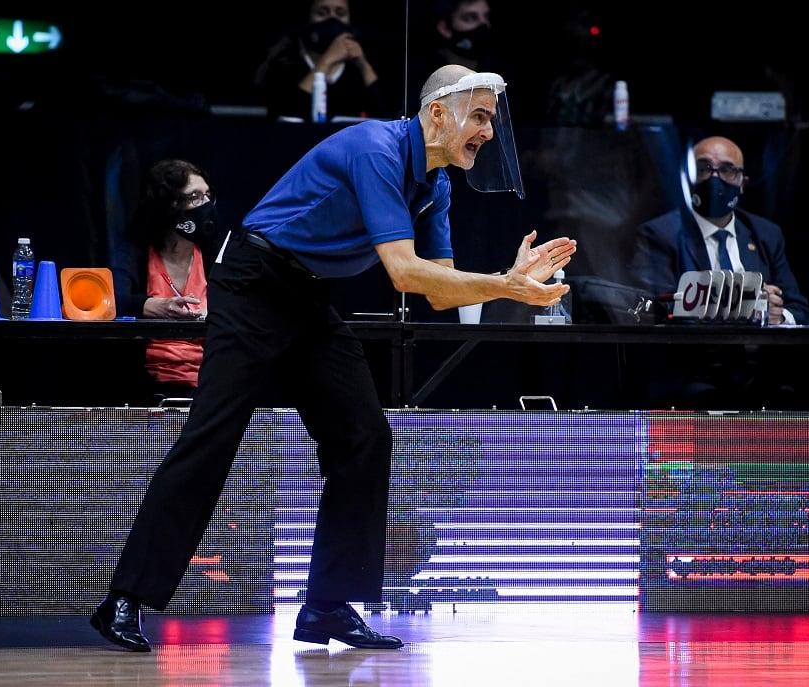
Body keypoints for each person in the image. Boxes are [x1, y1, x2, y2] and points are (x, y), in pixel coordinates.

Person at [90, 63, 577, 653]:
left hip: (308, 297)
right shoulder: (376, 146)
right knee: (212, 437)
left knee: (364, 437)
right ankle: (124, 599)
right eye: (477, 117)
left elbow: (438, 291)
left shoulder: (438, 185)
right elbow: (402, 270)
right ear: (438, 113)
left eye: (491, 122)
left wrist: (508, 284)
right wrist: (505, 283)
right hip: (253, 282)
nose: (486, 132)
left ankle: (325, 607)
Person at [628, 135, 809, 409]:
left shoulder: (765, 234)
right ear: (689, 177)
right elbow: (653, 308)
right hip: (693, 369)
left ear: (742, 183)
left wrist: (777, 314)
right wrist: (744, 304)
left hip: (760, 370)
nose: (714, 178)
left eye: (727, 170)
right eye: (703, 168)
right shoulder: (660, 234)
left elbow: (799, 309)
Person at [110, 159, 221, 402]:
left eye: (208, 196)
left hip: (210, 385)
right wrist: (150, 306)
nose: (205, 205)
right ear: (170, 206)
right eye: (194, 197)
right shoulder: (135, 251)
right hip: (146, 385)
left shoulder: (215, 255)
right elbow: (110, 300)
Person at [254, 0, 397, 122]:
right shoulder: (283, 64)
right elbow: (287, 116)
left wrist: (363, 65)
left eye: (340, 14)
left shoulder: (365, 65)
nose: (332, 20)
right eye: (322, 13)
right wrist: (326, 61)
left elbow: (387, 116)